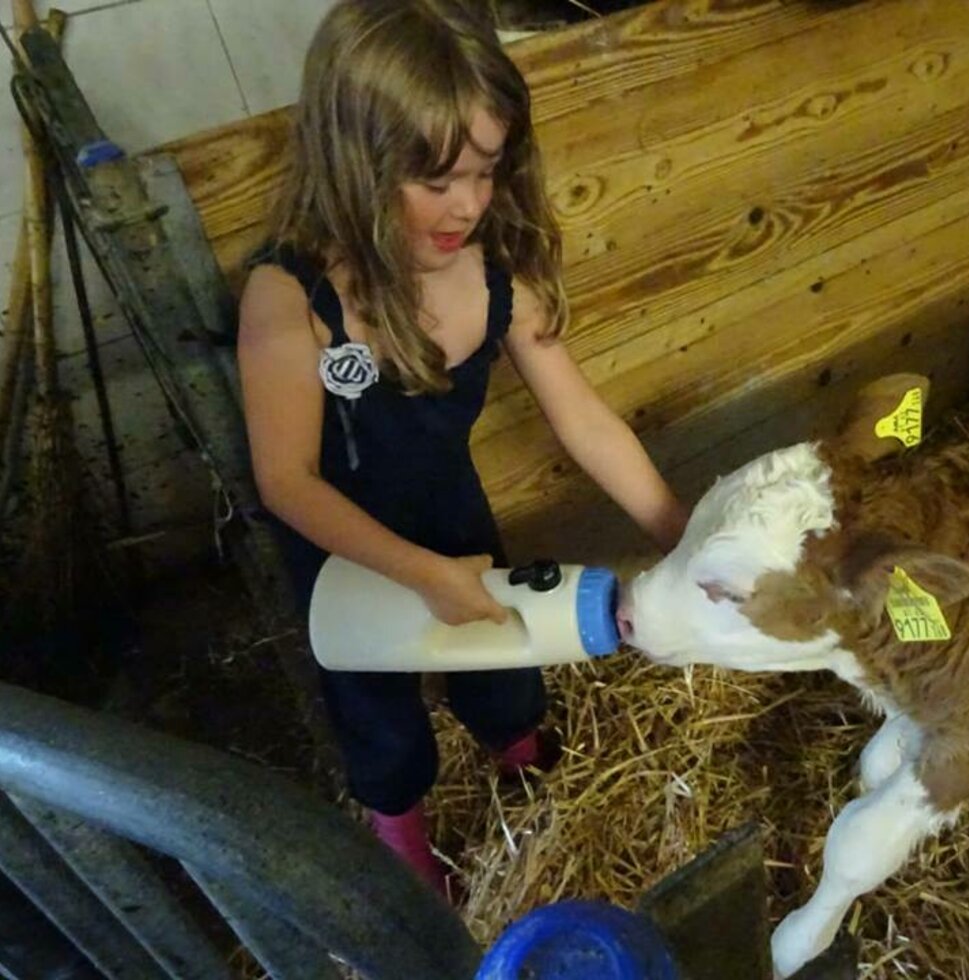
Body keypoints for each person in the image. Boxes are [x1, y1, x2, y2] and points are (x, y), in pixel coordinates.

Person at [236, 0, 688, 900]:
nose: (470, 204)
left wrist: (682, 527)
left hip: (451, 515)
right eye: (436, 180)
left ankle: (530, 772)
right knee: (380, 714)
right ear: (356, 161)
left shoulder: (493, 277)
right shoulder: (288, 298)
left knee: (506, 658)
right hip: (344, 549)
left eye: (487, 171)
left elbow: (584, 419)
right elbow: (287, 480)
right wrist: (415, 572)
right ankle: (408, 859)